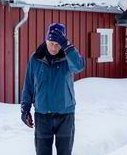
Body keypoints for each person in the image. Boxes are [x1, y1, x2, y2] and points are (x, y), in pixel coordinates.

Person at [21, 23, 85, 155]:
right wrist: (25, 109)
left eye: (57, 44)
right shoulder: (36, 58)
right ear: (46, 40)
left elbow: (79, 67)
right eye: (51, 43)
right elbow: (28, 85)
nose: (54, 47)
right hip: (42, 115)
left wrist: (67, 45)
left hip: (65, 115)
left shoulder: (68, 58)